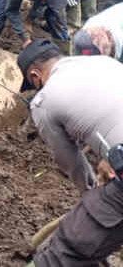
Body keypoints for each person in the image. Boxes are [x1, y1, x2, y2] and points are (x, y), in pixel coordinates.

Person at [17, 39, 123, 265]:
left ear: (35, 76)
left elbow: (71, 161)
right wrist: (109, 157)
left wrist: (91, 194)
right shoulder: (103, 63)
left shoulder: (43, 102)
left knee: (68, 250)